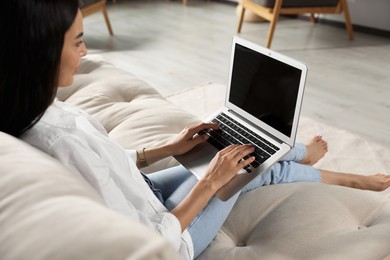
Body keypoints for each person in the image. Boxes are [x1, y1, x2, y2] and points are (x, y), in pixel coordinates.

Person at [1, 0, 390, 258]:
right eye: (78, 41)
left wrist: (169, 148)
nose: (86, 53)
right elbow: (156, 240)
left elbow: (107, 164)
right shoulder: (55, 140)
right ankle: (338, 174)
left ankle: (295, 152)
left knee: (240, 153)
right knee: (251, 168)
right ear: (44, 51)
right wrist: (209, 183)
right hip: (171, 232)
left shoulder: (38, 109)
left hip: (144, 192)